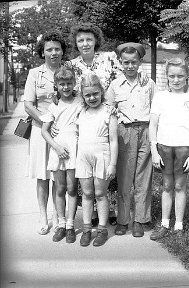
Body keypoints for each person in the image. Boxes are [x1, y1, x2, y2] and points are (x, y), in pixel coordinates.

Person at [63, 22, 148, 227]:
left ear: (96, 41)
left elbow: (130, 71)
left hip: (109, 117)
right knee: (87, 168)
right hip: (83, 118)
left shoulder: (109, 58)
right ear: (76, 42)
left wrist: (143, 73)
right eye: (81, 40)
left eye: (89, 39)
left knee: (107, 164)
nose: (85, 43)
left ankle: (109, 210)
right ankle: (91, 214)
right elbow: (64, 88)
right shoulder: (71, 65)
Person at [105, 42, 158, 238]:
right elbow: (108, 109)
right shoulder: (115, 85)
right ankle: (123, 220)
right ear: (120, 62)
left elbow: (157, 110)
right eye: (126, 62)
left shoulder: (149, 83)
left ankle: (140, 220)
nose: (130, 66)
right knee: (125, 178)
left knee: (143, 178)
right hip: (124, 133)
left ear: (140, 62)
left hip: (145, 131)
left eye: (133, 62)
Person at [149, 58, 189, 240]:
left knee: (180, 186)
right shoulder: (160, 97)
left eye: (180, 76)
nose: (176, 80)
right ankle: (165, 224)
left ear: (187, 76)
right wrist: (155, 152)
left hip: (184, 149)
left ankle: (178, 225)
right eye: (172, 76)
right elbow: (153, 126)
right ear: (166, 77)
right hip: (164, 147)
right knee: (167, 185)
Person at [24, 31, 67, 235]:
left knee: (59, 175)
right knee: (42, 176)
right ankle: (43, 215)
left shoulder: (69, 71)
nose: (53, 52)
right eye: (49, 49)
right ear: (43, 52)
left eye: (57, 49)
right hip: (40, 130)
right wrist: (46, 122)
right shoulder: (35, 73)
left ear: (62, 51)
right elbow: (28, 105)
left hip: (63, 131)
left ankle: (58, 216)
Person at [75, 73, 118, 247]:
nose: (92, 98)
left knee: (100, 194)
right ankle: (86, 230)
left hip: (102, 155)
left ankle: (102, 229)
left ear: (101, 92)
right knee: (86, 194)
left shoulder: (109, 112)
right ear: (82, 96)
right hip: (83, 156)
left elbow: (114, 140)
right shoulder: (81, 111)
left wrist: (113, 164)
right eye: (87, 95)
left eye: (95, 94)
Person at [40, 66, 80, 243]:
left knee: (72, 189)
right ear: (56, 85)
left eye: (69, 83)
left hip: (74, 149)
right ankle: (61, 224)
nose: (65, 87)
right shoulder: (54, 105)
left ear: (74, 83)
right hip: (58, 150)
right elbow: (44, 131)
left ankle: (70, 225)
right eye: (62, 84)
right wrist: (55, 147)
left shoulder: (79, 101)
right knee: (60, 188)